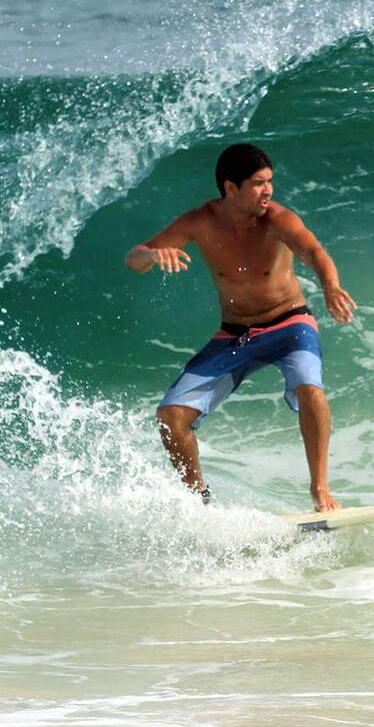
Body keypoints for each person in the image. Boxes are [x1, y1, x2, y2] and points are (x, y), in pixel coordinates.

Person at [124, 143, 357, 512]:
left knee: (310, 389)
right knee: (171, 417)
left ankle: (320, 491)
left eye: (269, 182)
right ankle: (198, 501)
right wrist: (153, 255)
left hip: (289, 324)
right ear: (230, 187)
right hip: (235, 334)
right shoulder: (199, 221)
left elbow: (314, 252)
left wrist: (330, 285)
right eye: (257, 183)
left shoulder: (279, 219)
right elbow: (133, 258)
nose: (268, 191)